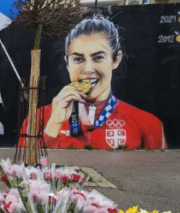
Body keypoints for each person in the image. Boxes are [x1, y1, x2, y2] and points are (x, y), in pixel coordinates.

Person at [25, 15, 166, 150]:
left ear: (116, 59)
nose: (88, 69)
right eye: (78, 59)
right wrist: (53, 125)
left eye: (98, 58)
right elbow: (26, 167)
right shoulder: (39, 118)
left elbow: (156, 170)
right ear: (67, 64)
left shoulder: (147, 123)